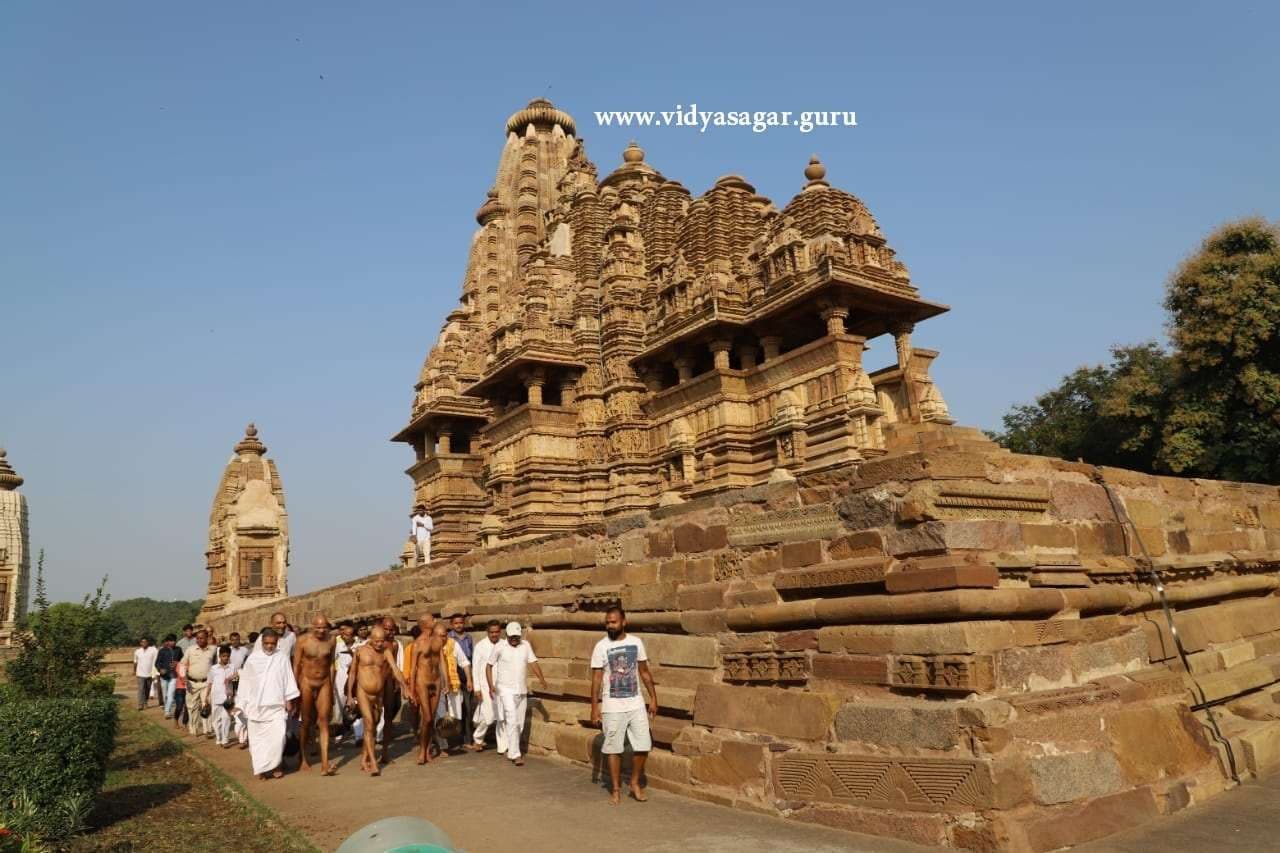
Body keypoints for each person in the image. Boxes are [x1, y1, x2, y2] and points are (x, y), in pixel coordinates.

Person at [590, 606, 659, 804]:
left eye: (613, 622)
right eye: (607, 622)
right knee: (613, 748)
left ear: (624, 622)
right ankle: (616, 788)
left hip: (636, 703)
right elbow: (596, 679)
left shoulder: (636, 642)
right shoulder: (600, 646)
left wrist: (653, 697)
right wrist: (594, 706)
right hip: (612, 706)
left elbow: (644, 672)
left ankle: (635, 782)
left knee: (643, 745)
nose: (609, 625)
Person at [346, 626, 410, 775]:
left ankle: (364, 757)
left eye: (382, 641)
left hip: (378, 695)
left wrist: (405, 686)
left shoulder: (386, 652)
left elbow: (395, 670)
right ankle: (374, 763)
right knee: (368, 723)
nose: (379, 644)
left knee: (373, 726)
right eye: (376, 641)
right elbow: (353, 673)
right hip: (363, 692)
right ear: (370, 638)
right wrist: (350, 695)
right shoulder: (360, 651)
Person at [239, 628, 300, 780]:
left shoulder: (282, 658)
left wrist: (289, 700)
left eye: (273, 643)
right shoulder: (253, 659)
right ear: (262, 643)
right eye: (266, 643)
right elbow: (245, 683)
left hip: (276, 706)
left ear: (277, 643)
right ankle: (261, 768)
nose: (269, 646)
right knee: (258, 741)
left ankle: (275, 766)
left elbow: (288, 679)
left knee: (278, 738)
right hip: (256, 707)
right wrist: (241, 703)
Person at [486, 622, 547, 767]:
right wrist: (491, 685)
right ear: (506, 635)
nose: (514, 639)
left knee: (519, 724)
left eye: (517, 637)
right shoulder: (499, 647)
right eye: (512, 636)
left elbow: (533, 662)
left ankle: (512, 748)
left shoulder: (525, 645)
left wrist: (542, 679)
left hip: (521, 690)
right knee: (512, 720)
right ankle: (515, 754)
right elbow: (488, 666)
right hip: (505, 690)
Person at [293, 615, 337, 775]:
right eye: (318, 627)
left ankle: (325, 763)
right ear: (312, 626)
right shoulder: (302, 641)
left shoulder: (332, 640)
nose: (321, 630)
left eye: (324, 627)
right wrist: (294, 688)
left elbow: (331, 664)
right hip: (306, 681)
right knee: (306, 721)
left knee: (324, 721)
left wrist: (331, 687)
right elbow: (296, 665)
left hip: (324, 682)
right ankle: (303, 757)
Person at [406, 615, 443, 764]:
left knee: (431, 718)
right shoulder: (417, 644)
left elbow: (441, 662)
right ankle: (422, 751)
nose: (435, 621)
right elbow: (413, 669)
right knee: (426, 717)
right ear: (425, 624)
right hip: (423, 680)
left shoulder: (438, 640)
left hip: (437, 680)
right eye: (432, 620)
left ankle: (427, 749)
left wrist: (445, 681)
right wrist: (411, 690)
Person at [433, 621, 472, 756]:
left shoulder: (453, 645)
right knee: (440, 716)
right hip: (435, 688)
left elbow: (464, 662)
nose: (441, 639)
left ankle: (449, 741)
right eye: (438, 636)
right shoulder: (430, 647)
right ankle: (443, 747)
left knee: (454, 717)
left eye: (444, 636)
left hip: (453, 686)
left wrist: (469, 679)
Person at [468, 620, 505, 753]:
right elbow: (475, 668)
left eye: (496, 632)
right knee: (489, 716)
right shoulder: (481, 646)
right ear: (487, 632)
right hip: (484, 685)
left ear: (500, 632)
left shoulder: (504, 644)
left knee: (501, 715)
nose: (494, 634)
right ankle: (477, 738)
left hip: (502, 686)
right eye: (492, 632)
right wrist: (477, 688)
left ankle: (503, 745)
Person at [447, 613, 476, 748]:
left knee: (468, 708)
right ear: (451, 625)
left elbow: (469, 658)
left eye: (461, 623)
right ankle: (453, 738)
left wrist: (470, 677)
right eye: (456, 623)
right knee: (453, 708)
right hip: (453, 672)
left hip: (466, 672)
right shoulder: (448, 638)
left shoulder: (468, 638)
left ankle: (467, 738)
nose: (459, 625)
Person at [184, 629, 217, 738]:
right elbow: (182, 665)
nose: (199, 640)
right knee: (192, 707)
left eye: (201, 638)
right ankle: (193, 728)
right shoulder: (190, 650)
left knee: (206, 705)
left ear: (207, 638)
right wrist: (185, 680)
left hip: (206, 683)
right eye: (197, 638)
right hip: (192, 683)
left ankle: (207, 729)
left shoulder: (213, 650)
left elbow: (216, 665)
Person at [332, 621, 357, 740]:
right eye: (344, 635)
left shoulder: (358, 645)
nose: (346, 637)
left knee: (355, 703)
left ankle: (358, 733)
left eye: (349, 635)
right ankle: (340, 730)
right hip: (341, 676)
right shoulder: (337, 643)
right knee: (340, 704)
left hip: (355, 676)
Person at [209, 645, 236, 748]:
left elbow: (237, 678)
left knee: (226, 719)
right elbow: (210, 682)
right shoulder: (213, 668)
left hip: (227, 698)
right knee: (216, 720)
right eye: (224, 656)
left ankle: (225, 739)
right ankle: (218, 737)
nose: (226, 658)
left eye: (227, 656)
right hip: (215, 696)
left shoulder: (232, 667)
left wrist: (233, 677)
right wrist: (207, 697)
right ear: (219, 656)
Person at [156, 633, 183, 718]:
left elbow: (183, 660)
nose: (173, 642)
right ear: (167, 642)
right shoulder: (162, 651)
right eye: (171, 641)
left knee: (170, 694)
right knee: (165, 695)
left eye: (174, 641)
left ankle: (167, 711)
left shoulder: (178, 650)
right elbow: (157, 663)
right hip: (164, 676)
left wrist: (177, 663)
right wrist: (160, 669)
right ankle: (166, 708)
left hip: (174, 676)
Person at [133, 637, 158, 711]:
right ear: (140, 643)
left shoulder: (153, 650)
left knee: (147, 689)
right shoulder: (137, 651)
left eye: (145, 642)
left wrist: (155, 673)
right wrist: (134, 670)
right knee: (141, 689)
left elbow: (156, 661)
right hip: (140, 673)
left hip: (149, 673)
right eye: (142, 642)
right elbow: (135, 662)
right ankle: (140, 704)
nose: (144, 643)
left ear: (148, 643)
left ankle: (145, 701)